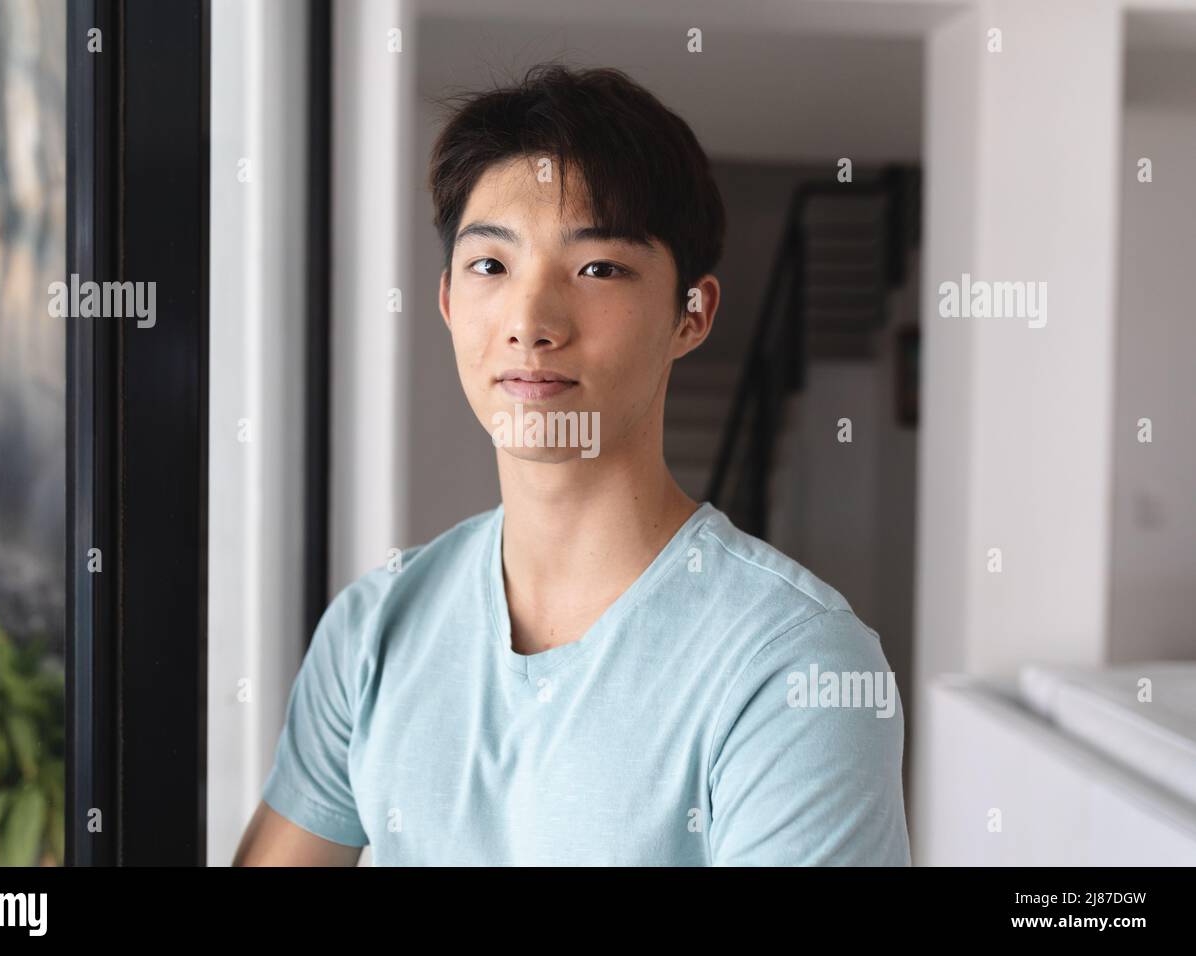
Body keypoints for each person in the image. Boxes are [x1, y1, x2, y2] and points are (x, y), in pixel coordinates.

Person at [234, 63, 910, 866]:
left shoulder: (798, 666)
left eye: (598, 269)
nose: (531, 320)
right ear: (448, 299)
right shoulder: (375, 627)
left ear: (691, 315)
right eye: (492, 265)